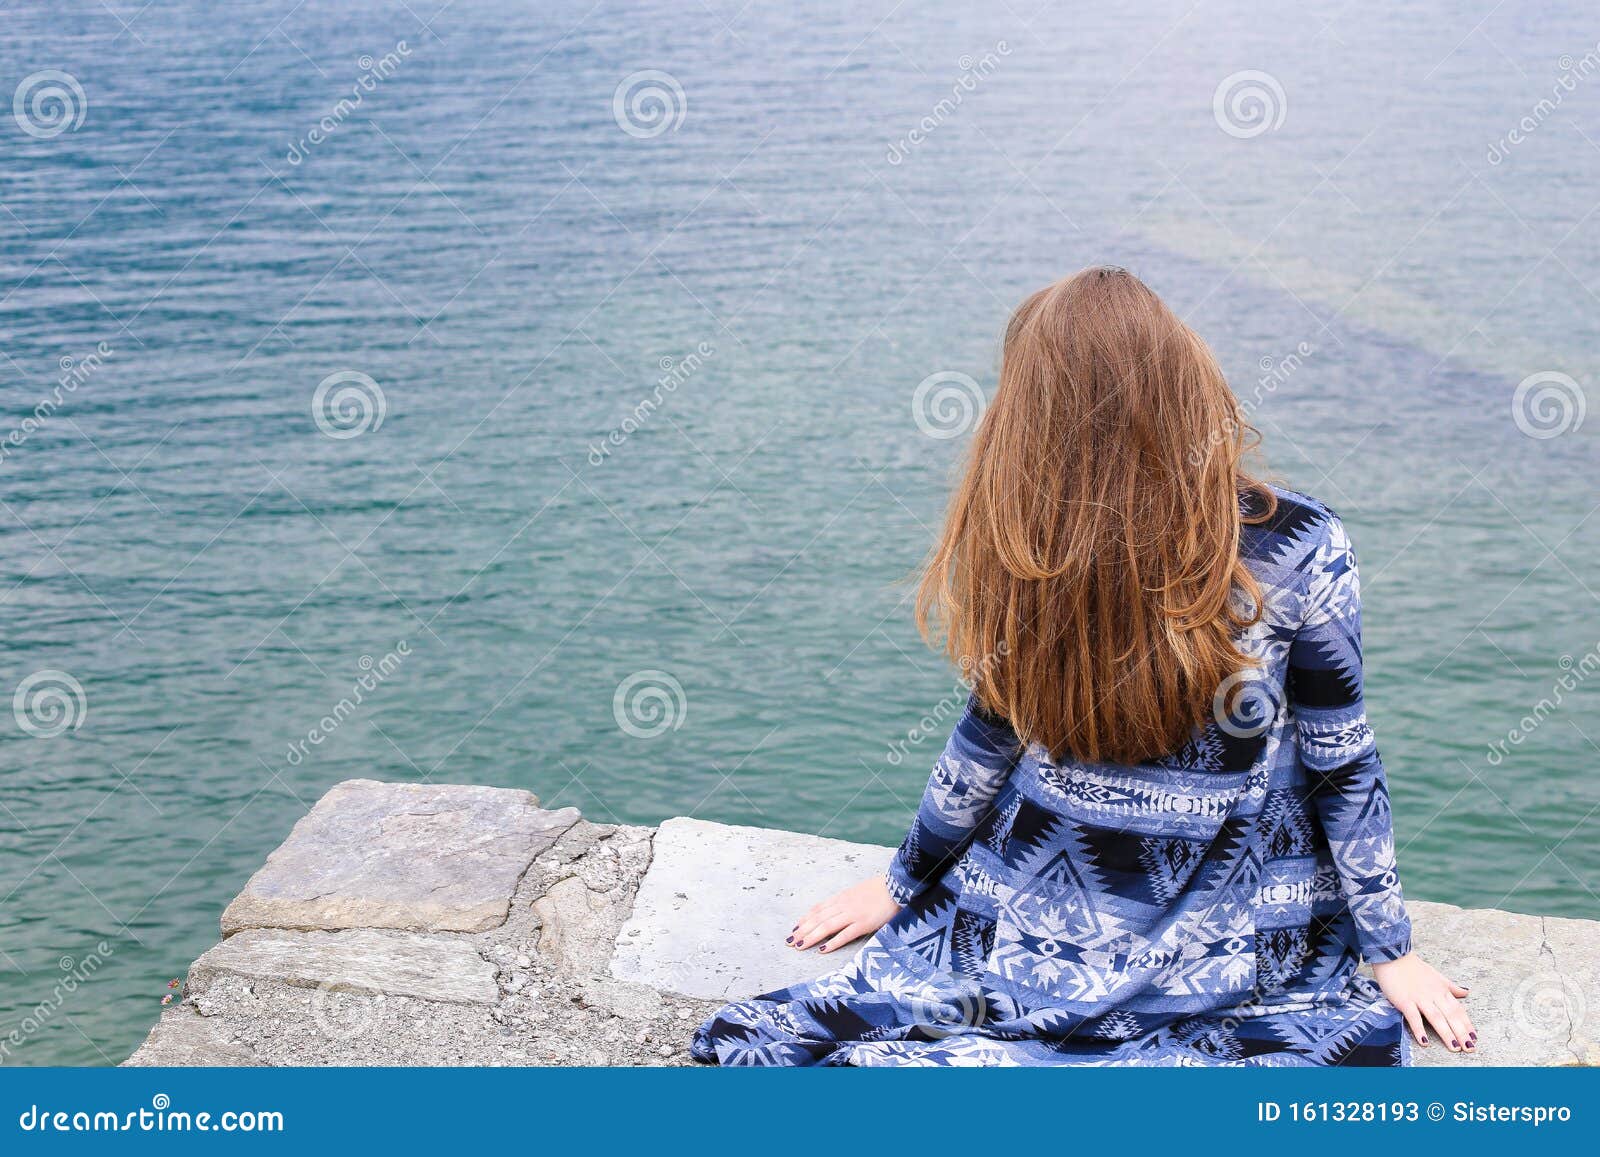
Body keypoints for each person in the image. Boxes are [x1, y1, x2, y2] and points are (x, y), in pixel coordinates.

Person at [691, 266, 1473, 1066]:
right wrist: (1390, 949)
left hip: (1039, 906)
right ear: (1186, 378)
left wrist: (904, 883)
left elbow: (985, 738)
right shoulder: (1302, 542)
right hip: (1230, 924)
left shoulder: (1027, 541)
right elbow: (1341, 760)